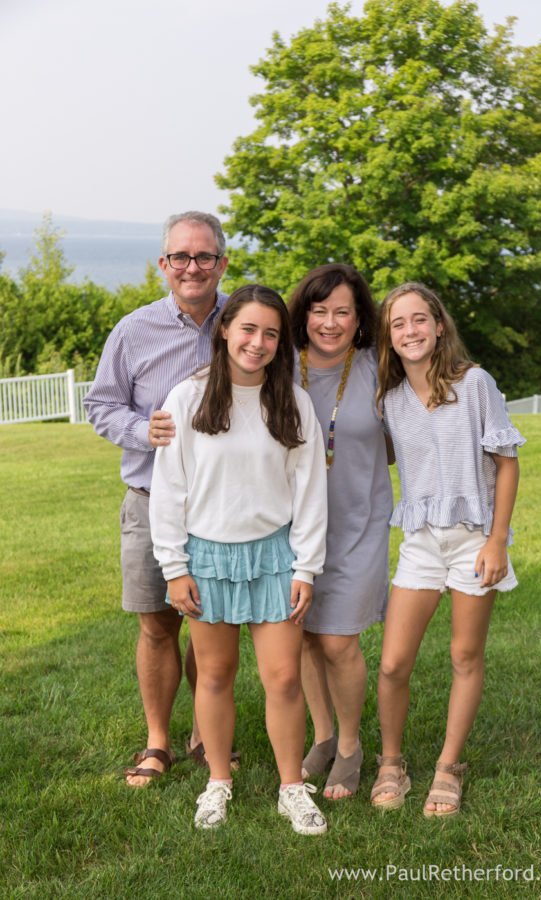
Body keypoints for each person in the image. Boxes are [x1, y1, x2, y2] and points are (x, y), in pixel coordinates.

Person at [149, 284, 329, 834]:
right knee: (215, 675)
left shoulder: (293, 403)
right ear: (225, 329)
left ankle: (292, 788)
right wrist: (174, 568)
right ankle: (217, 784)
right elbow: (169, 489)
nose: (258, 342)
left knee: (282, 679)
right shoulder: (187, 398)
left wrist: (305, 568)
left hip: (275, 558)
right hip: (205, 558)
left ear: (282, 342)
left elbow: (310, 490)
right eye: (248, 328)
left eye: (271, 333)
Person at [84, 211, 232, 786]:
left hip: (222, 506)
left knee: (210, 622)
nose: (191, 267)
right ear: (163, 264)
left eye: (203, 257)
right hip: (149, 499)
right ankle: (158, 742)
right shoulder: (133, 330)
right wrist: (142, 430)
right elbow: (101, 405)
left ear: (222, 262)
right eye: (180, 257)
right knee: (156, 625)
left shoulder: (245, 321)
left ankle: (206, 732)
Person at [370, 282, 525, 816]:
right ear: (388, 338)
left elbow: (507, 462)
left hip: (474, 541)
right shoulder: (389, 399)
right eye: (398, 324)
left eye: (419, 320)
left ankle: (447, 767)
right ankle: (391, 762)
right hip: (420, 542)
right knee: (392, 664)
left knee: (464, 655)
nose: (410, 331)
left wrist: (497, 541)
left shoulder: (475, 383)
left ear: (438, 326)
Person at [287, 264, 394, 800]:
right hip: (294, 529)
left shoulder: (381, 367)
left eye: (342, 312)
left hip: (360, 523)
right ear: (303, 313)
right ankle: (322, 737)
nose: (329, 322)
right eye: (319, 309)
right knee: (305, 635)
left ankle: (350, 747)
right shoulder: (280, 368)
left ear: (359, 319)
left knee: (337, 640)